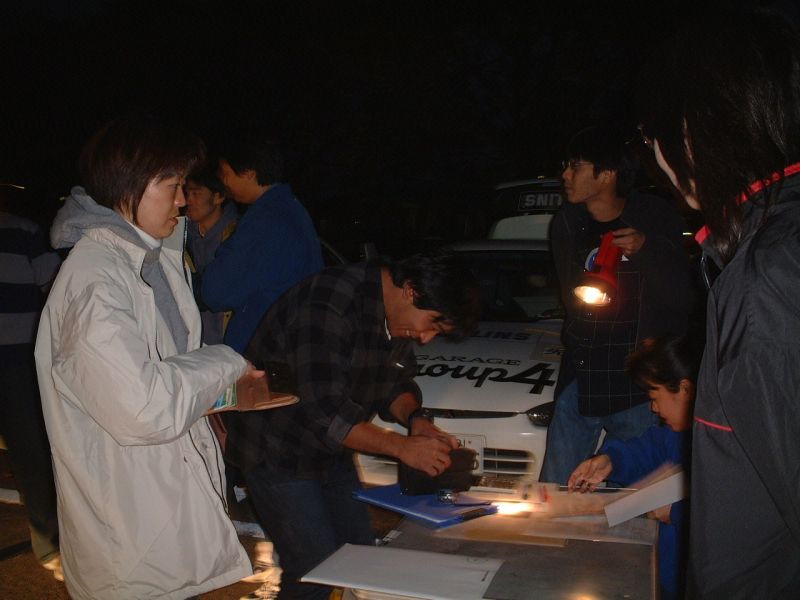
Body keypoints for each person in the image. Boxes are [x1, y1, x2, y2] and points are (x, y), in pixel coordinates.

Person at [34, 114, 265, 599]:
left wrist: (213, 401)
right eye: (172, 185)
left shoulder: (148, 258)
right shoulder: (96, 283)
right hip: (129, 531)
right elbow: (144, 408)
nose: (182, 200)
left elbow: (168, 368)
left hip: (160, 508)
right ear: (129, 184)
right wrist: (226, 361)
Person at [636, 8, 800, 597]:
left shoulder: (772, 277)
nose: (655, 159)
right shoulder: (765, 251)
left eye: (653, 138)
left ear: (691, 133)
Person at [224, 250, 481, 599]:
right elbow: (325, 411)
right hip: (278, 449)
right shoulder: (328, 302)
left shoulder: (396, 314)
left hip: (331, 451)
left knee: (358, 556)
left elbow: (394, 382)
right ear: (411, 290)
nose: (425, 338)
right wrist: (401, 447)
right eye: (433, 324)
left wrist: (415, 419)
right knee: (314, 569)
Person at [539, 124, 693, 485]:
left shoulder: (653, 216)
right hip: (583, 375)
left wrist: (646, 250)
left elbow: (683, 298)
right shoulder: (568, 222)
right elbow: (571, 299)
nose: (565, 175)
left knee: (635, 495)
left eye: (575, 166)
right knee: (557, 486)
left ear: (607, 174)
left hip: (636, 384)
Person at [568, 334, 701, 600]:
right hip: (664, 574)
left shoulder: (723, 445)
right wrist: (610, 461)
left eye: (655, 395)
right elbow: (645, 451)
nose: (653, 408)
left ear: (685, 389)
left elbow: (737, 515)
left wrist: (678, 511)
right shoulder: (674, 434)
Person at [201, 133, 323, 353]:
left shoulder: (267, 219)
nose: (222, 181)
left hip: (268, 350)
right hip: (290, 343)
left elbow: (217, 290)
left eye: (225, 174)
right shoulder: (289, 208)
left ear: (249, 173)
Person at [0, 184, 62, 581]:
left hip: (18, 360)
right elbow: (53, 287)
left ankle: (50, 543)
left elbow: (55, 287)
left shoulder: (22, 230)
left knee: (31, 453)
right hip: (18, 360)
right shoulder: (24, 230)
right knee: (31, 453)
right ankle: (50, 545)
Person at [183, 162, 239, 345]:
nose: (187, 200)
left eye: (196, 193)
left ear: (218, 197)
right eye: (186, 193)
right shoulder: (179, 235)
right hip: (191, 344)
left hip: (227, 346)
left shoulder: (237, 237)